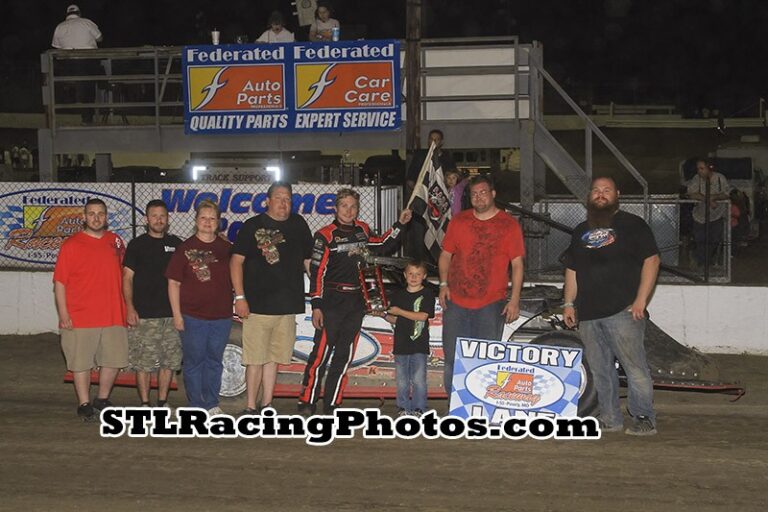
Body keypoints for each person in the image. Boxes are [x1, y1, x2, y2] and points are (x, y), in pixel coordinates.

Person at [298, 188, 412, 415]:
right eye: (344, 206)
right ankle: (307, 400)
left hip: (356, 301)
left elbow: (381, 245)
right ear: (336, 208)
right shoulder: (324, 235)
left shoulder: (363, 230)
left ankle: (332, 403)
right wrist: (317, 305)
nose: (349, 211)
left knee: (344, 355)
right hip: (331, 301)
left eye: (353, 206)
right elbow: (317, 272)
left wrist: (399, 224)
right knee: (320, 354)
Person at [562, 176, 661, 436]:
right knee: (600, 369)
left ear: (617, 194)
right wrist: (569, 303)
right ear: (590, 196)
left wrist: (641, 300)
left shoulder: (633, 224)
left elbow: (652, 260)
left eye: (606, 190)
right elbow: (572, 269)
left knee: (635, 368)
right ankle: (610, 419)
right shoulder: (580, 230)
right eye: (596, 190)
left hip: (623, 311)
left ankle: (643, 417)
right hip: (589, 314)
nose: (600, 194)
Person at [438, 175, 525, 396]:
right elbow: (445, 255)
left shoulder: (509, 225)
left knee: (486, 359)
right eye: (474, 193)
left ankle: (481, 407)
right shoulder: (459, 221)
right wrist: (443, 284)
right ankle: (455, 408)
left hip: (490, 303)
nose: (478, 197)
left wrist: (514, 299)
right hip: (456, 301)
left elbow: (517, 265)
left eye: (483, 192)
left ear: (493, 194)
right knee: (453, 358)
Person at [231, 182, 313, 414]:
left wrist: (320, 287)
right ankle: (249, 407)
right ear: (267, 201)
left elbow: (308, 261)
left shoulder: (298, 224)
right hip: (257, 305)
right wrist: (240, 297)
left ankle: (267, 404)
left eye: (288, 198)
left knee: (274, 358)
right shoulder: (252, 226)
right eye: (278, 198)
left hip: (287, 305)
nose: (284, 203)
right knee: (255, 359)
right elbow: (236, 261)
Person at [53, 198, 127, 421]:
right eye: (92, 213)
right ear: (84, 217)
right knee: (81, 361)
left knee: (113, 359)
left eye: (101, 214)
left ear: (106, 217)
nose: (96, 218)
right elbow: (60, 283)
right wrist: (64, 314)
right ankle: (84, 403)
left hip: (113, 313)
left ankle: (102, 399)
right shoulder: (72, 245)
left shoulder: (115, 241)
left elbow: (126, 274)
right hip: (81, 315)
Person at [165, 200, 233, 414]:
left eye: (212, 218)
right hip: (192, 317)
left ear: (218, 222)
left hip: (221, 317)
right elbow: (173, 283)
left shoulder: (227, 249)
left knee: (214, 361)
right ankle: (195, 405)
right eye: (203, 217)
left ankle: (212, 403)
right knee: (194, 362)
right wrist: (177, 315)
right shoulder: (184, 249)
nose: (208, 222)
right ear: (196, 221)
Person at [122, 200, 183, 408]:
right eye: (154, 216)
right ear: (146, 219)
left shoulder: (177, 244)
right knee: (144, 364)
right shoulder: (136, 245)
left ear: (168, 219)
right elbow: (127, 278)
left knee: (169, 362)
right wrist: (130, 307)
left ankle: (162, 402)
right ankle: (145, 404)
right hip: (144, 316)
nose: (159, 220)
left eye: (162, 216)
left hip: (171, 315)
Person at [383, 260, 435, 417]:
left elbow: (422, 316)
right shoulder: (398, 295)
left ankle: (419, 408)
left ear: (424, 276)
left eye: (418, 274)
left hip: (419, 344)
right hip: (401, 344)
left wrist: (399, 311)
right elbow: (396, 319)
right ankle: (403, 408)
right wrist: (384, 315)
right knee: (402, 380)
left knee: (419, 380)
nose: (414, 277)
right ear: (405, 275)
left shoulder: (427, 294)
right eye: (410, 273)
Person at [405, 129, 457, 260]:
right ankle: (419, 264)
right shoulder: (420, 156)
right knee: (419, 235)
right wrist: (421, 193)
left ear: (442, 142)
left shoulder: (447, 158)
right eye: (431, 139)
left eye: (436, 139)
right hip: (423, 203)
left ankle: (440, 263)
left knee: (441, 234)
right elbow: (410, 180)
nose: (433, 142)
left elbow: (453, 179)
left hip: (440, 204)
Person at [51, 5, 103, 124]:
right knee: (88, 87)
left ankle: (76, 103)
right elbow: (100, 38)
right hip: (88, 61)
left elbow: (56, 47)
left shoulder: (60, 26)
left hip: (69, 63)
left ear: (67, 14)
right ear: (79, 13)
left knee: (80, 85)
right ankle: (88, 117)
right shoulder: (87, 22)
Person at [687, 158, 730, 267]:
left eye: (702, 168)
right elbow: (692, 193)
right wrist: (708, 200)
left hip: (716, 216)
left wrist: (713, 197)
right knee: (700, 240)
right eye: (698, 169)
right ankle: (703, 264)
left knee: (714, 240)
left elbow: (726, 194)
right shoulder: (696, 179)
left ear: (709, 168)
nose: (699, 171)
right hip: (699, 216)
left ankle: (706, 260)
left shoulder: (720, 178)